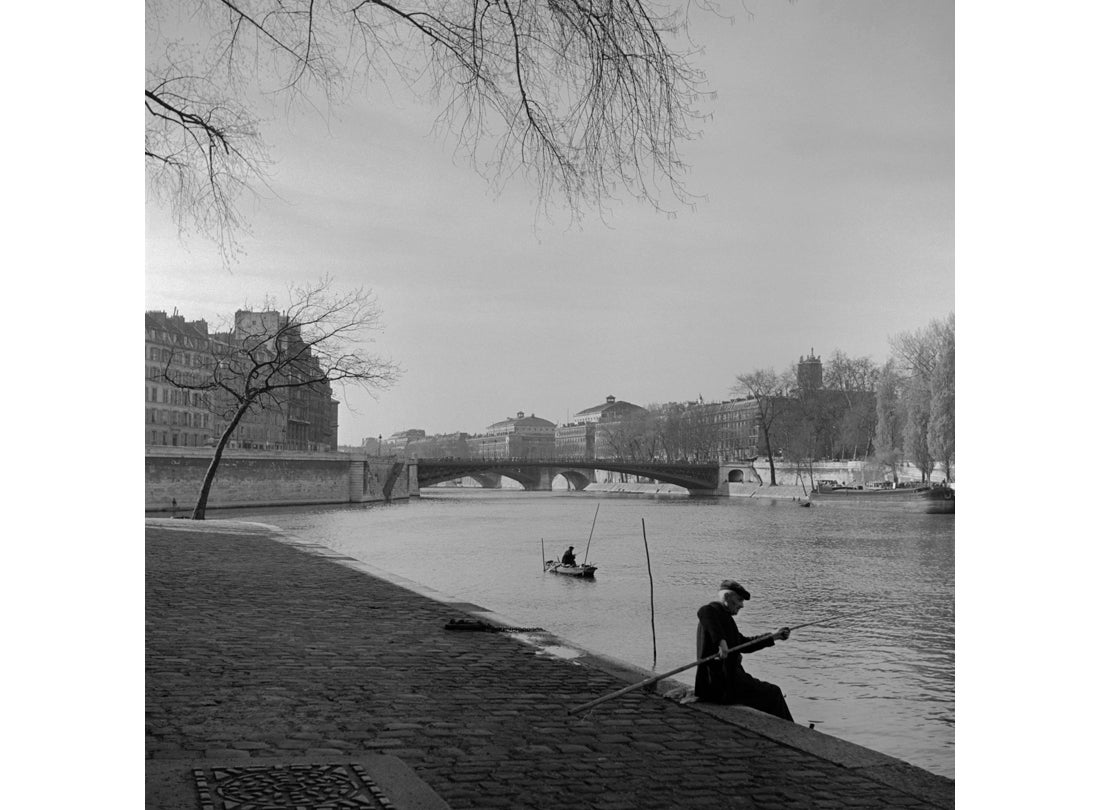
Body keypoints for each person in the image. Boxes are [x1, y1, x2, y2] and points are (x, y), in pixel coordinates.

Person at [694, 579, 794, 721]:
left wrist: (774, 637)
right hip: (722, 685)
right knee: (773, 693)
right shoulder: (712, 610)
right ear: (727, 597)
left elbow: (744, 644)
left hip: (730, 681)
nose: (741, 605)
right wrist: (721, 643)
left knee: (767, 694)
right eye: (739, 600)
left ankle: (784, 724)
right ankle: (789, 728)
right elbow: (703, 611)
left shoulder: (725, 618)